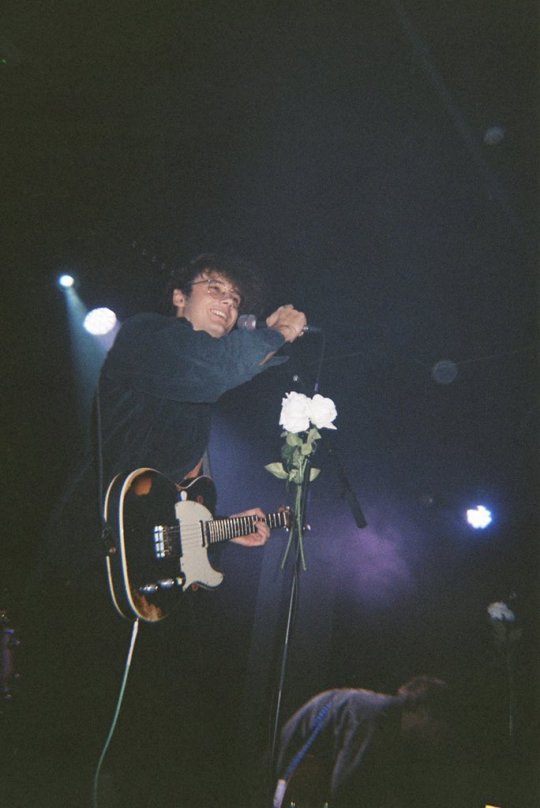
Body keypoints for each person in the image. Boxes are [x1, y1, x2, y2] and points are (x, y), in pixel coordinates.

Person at [12, 253, 307, 808]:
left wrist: (220, 528)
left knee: (151, 732)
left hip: (145, 578)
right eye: (214, 289)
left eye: (236, 299)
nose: (227, 303)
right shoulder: (147, 337)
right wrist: (272, 334)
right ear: (179, 297)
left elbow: (174, 497)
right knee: (65, 731)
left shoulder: (198, 391)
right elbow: (218, 368)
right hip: (92, 556)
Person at [273, 676, 460, 808]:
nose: (438, 741)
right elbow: (347, 789)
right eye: (439, 731)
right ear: (423, 713)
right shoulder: (374, 719)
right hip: (290, 767)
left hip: (299, 769)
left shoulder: (386, 720)